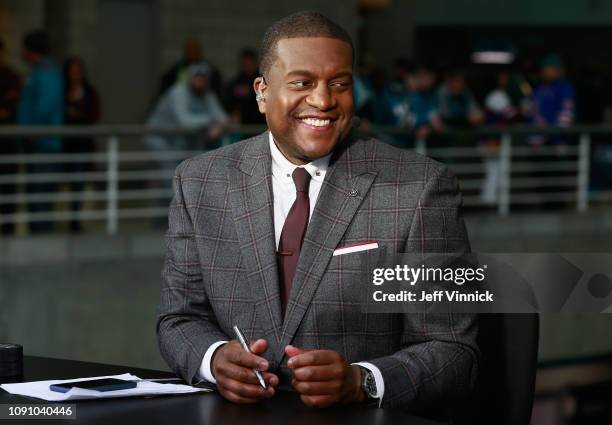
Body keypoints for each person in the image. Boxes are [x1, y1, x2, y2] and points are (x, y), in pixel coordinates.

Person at [156, 11, 478, 415]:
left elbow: (453, 350)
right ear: (261, 92)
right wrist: (213, 358)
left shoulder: (422, 188)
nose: (324, 101)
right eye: (303, 83)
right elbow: (179, 319)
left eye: (340, 84)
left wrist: (362, 381)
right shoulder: (199, 181)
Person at [145, 62, 228, 207]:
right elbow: (185, 121)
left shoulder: (206, 94)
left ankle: (180, 219)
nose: (200, 81)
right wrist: (211, 123)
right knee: (170, 178)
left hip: (181, 143)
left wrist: (219, 124)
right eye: (197, 77)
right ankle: (162, 220)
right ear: (190, 78)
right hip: (160, 139)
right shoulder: (178, 91)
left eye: (204, 78)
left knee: (192, 176)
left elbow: (223, 118)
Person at [17, 31, 64, 234]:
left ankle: (42, 239)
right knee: (35, 197)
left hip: (44, 144)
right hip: (37, 143)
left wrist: (30, 130)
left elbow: (45, 107)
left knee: (41, 198)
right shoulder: (39, 71)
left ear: (31, 50)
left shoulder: (47, 72)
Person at [62, 56, 101, 233]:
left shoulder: (90, 92)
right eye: (72, 70)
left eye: (78, 70)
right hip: (62, 143)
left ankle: (74, 219)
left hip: (81, 144)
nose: (75, 74)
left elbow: (94, 116)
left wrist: (77, 114)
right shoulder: (61, 91)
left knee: (78, 182)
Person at [0, 38, 22, 235]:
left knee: (7, 186)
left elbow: (8, 111)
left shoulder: (12, 77)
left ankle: (8, 228)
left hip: (6, 142)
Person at [225, 49, 266, 126]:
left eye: (249, 62)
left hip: (260, 124)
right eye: (245, 62)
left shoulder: (263, 82)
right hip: (241, 127)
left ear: (254, 63)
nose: (247, 65)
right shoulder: (235, 82)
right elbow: (230, 102)